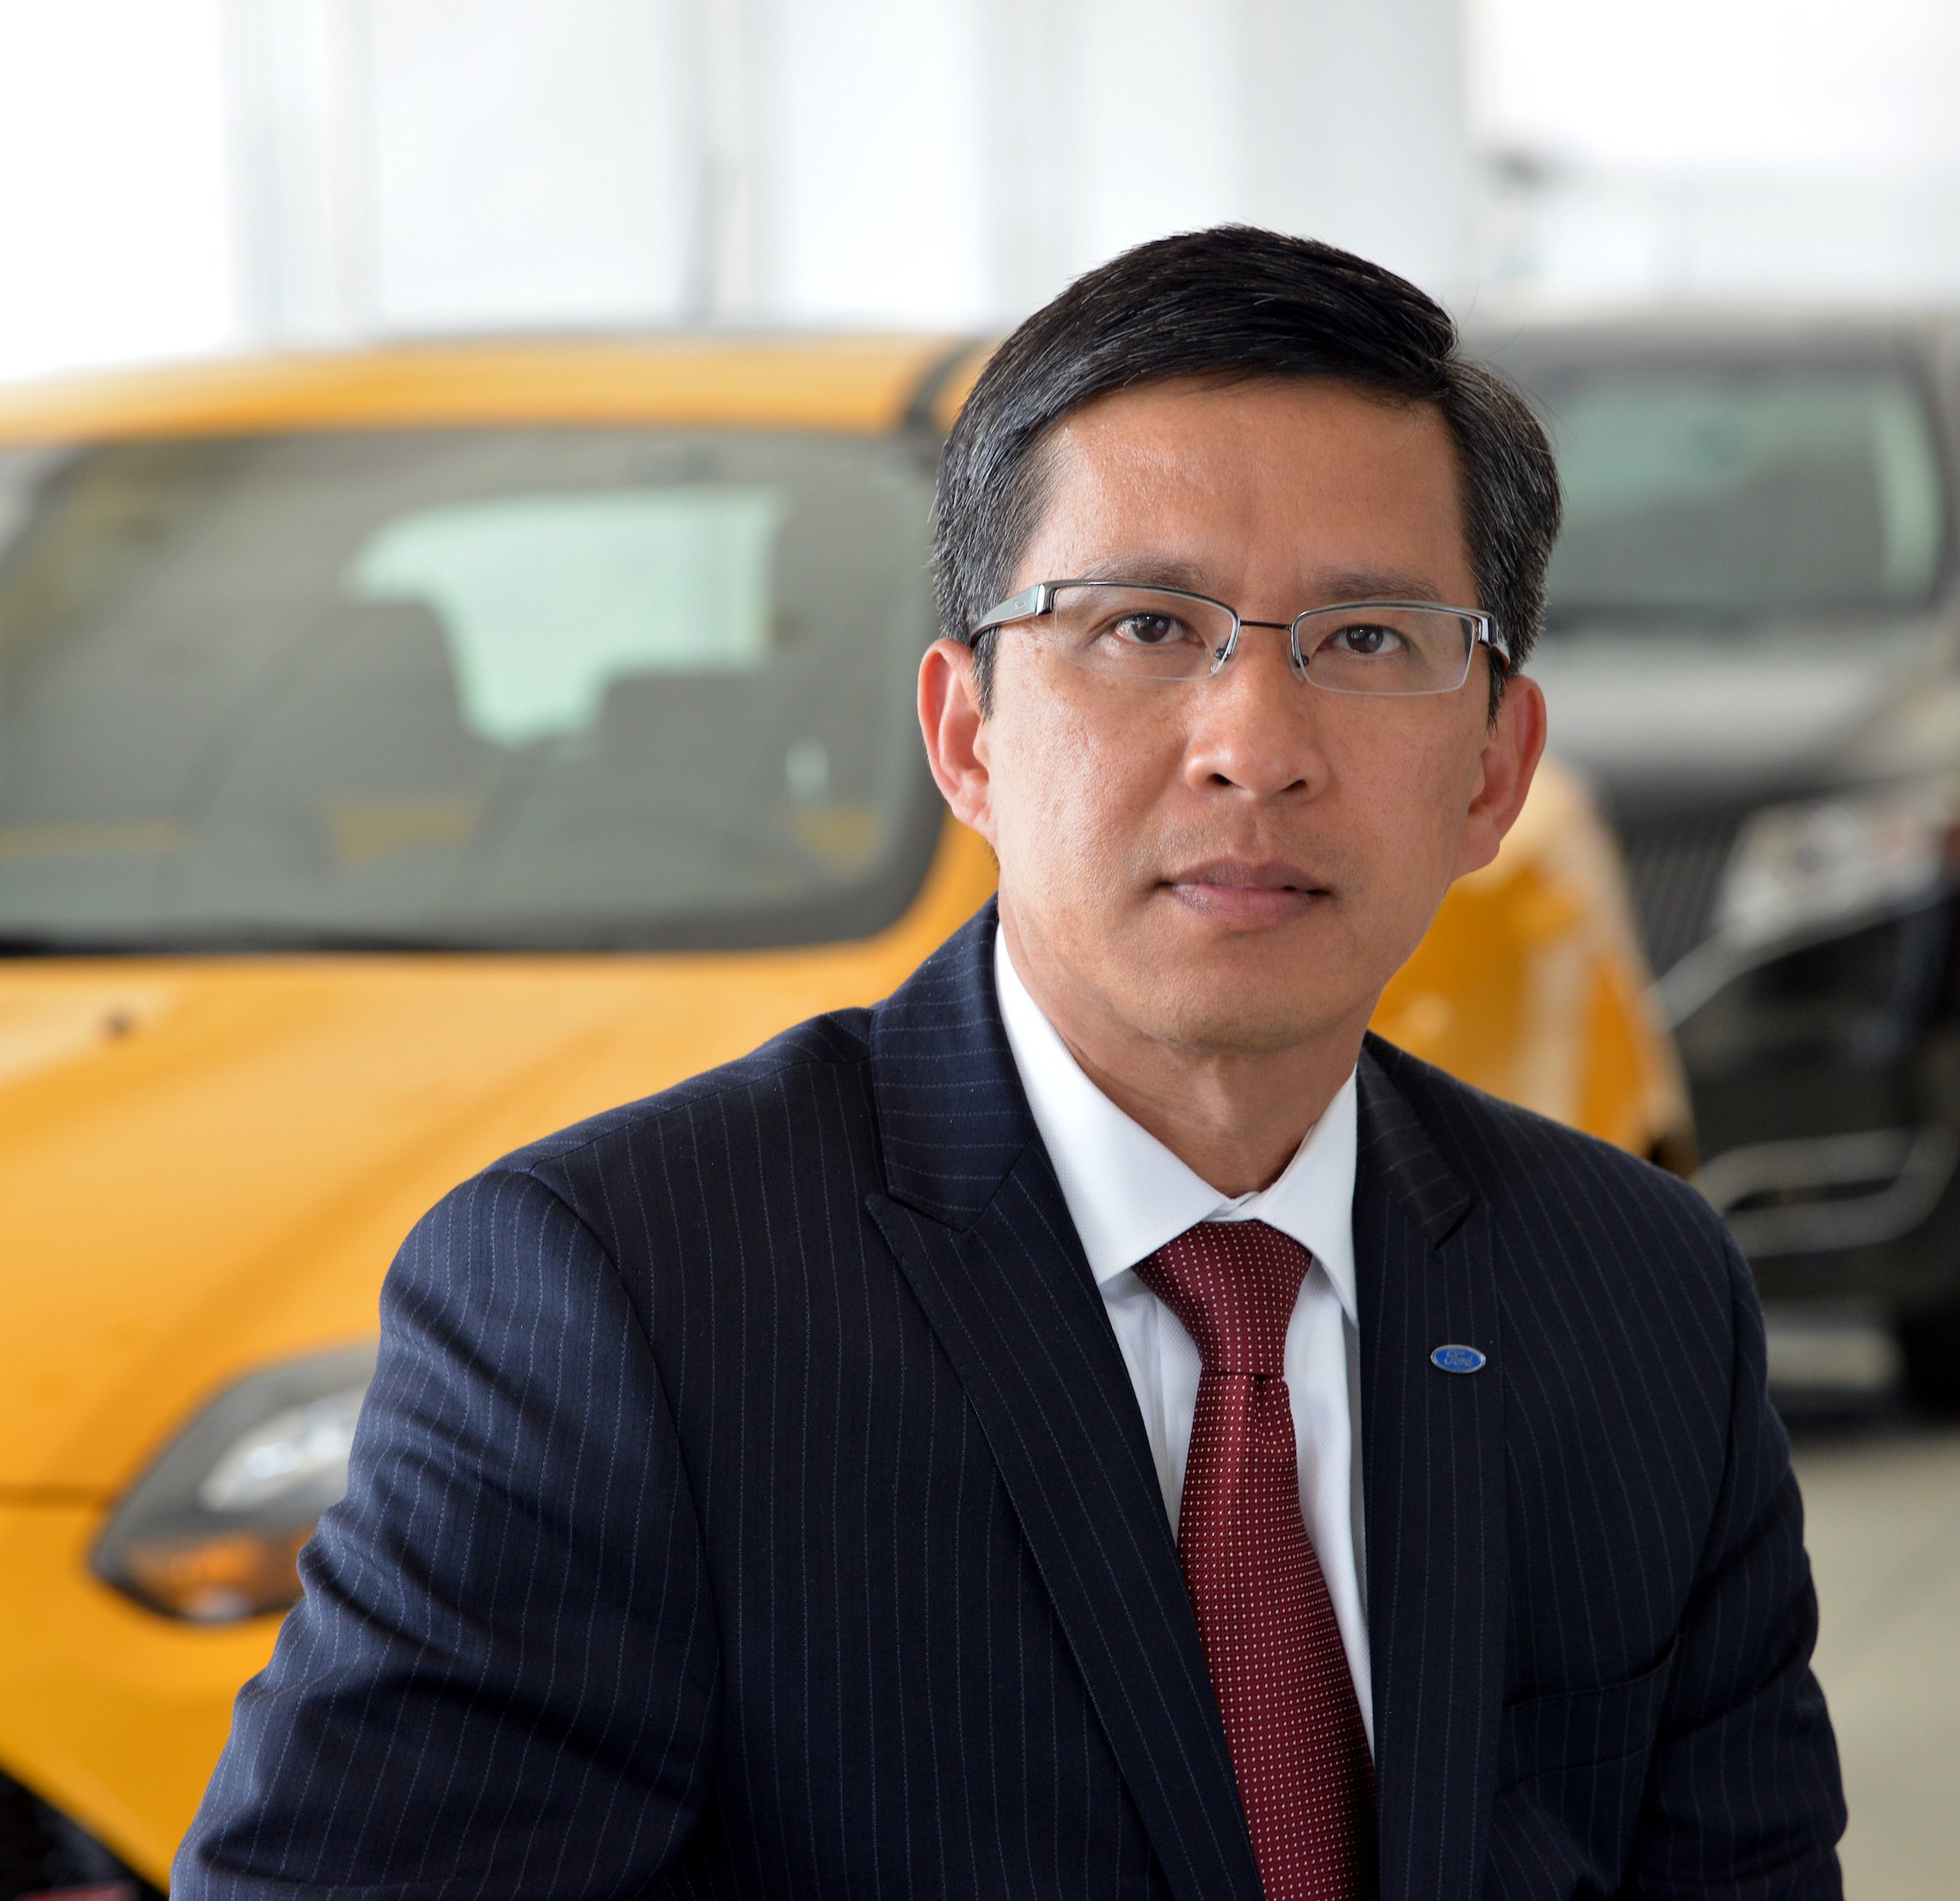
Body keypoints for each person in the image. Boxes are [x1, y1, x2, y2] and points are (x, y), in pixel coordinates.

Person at [177, 225, 1846, 1900]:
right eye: (1139, 625)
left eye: (1365, 640)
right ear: (968, 732)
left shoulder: (1639, 1299)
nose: (1252, 748)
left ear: (1495, 769)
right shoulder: (626, 1304)